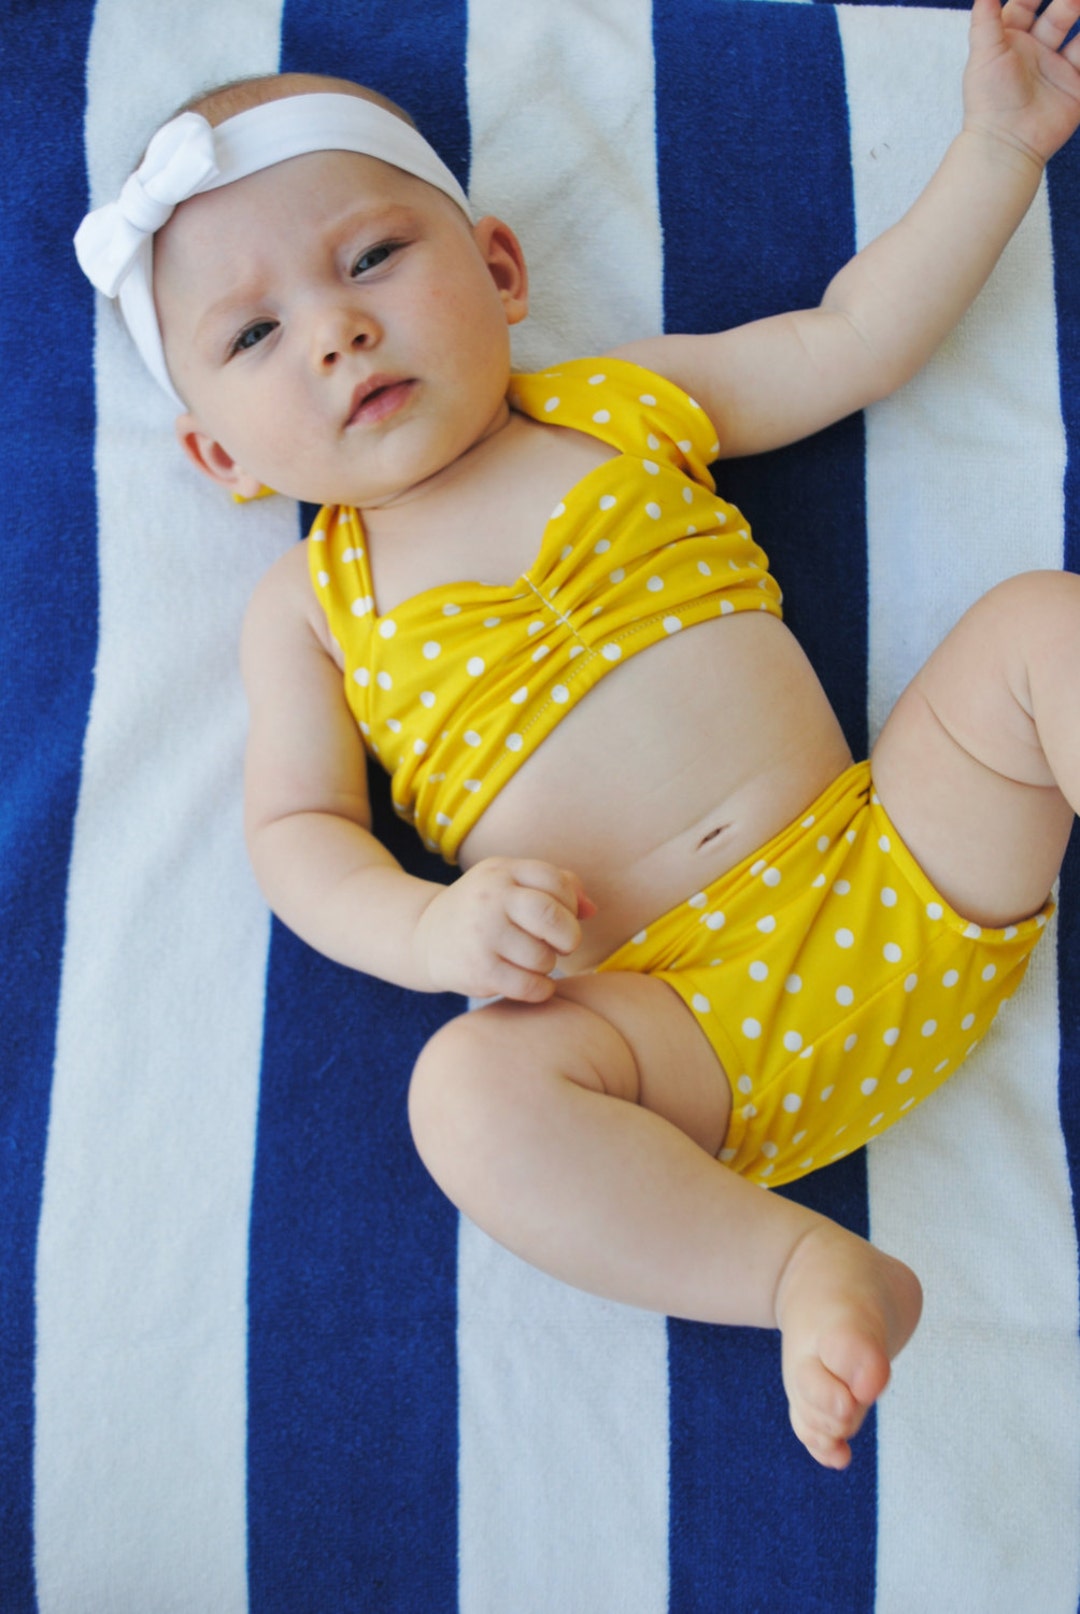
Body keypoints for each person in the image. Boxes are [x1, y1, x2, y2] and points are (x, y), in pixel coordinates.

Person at [75, 0, 1080, 1469]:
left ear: (499, 269)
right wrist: (432, 932)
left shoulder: (622, 408)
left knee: (1045, 626)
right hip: (674, 1038)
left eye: (372, 258)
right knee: (467, 1095)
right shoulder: (310, 608)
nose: (337, 330)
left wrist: (999, 148)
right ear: (219, 453)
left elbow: (857, 337)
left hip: (906, 867)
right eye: (255, 333)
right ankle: (798, 1271)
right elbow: (297, 836)